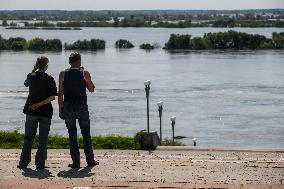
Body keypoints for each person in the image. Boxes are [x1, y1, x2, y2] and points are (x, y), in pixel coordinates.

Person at [58, 52, 98, 168]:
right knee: (86, 134)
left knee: (72, 135)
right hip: (82, 107)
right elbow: (91, 89)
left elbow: (60, 93)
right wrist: (88, 79)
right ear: (79, 61)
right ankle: (90, 161)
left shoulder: (62, 74)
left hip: (68, 107)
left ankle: (76, 162)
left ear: (69, 62)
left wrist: (60, 109)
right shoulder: (84, 73)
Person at [18, 56, 57, 170]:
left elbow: (26, 84)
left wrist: (33, 70)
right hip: (45, 112)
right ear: (46, 66)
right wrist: (39, 104)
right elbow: (52, 98)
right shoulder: (50, 79)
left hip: (31, 111)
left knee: (28, 138)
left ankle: (23, 163)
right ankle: (40, 164)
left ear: (36, 65)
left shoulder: (31, 76)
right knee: (43, 139)